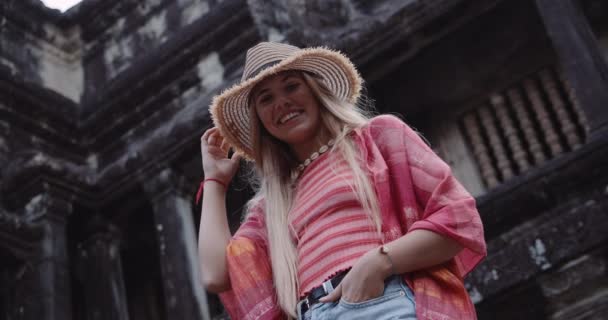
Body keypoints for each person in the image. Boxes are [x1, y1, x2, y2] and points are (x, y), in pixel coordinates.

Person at [197, 42, 486, 320]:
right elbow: (216, 274)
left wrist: (379, 263)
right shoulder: (270, 207)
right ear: (260, 120)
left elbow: (458, 220)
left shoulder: (379, 138)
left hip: (383, 300)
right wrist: (214, 182)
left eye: (291, 86)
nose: (282, 102)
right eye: (266, 99)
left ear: (316, 90)